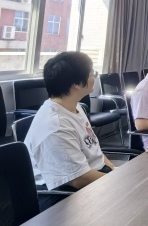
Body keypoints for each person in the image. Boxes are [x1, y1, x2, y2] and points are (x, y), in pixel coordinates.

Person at [24, 51, 117, 210]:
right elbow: (78, 179)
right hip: (63, 194)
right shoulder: (56, 125)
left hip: (91, 176)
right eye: (92, 74)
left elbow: (94, 150)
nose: (94, 77)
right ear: (76, 84)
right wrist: (117, 182)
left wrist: (114, 169)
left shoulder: (75, 106)